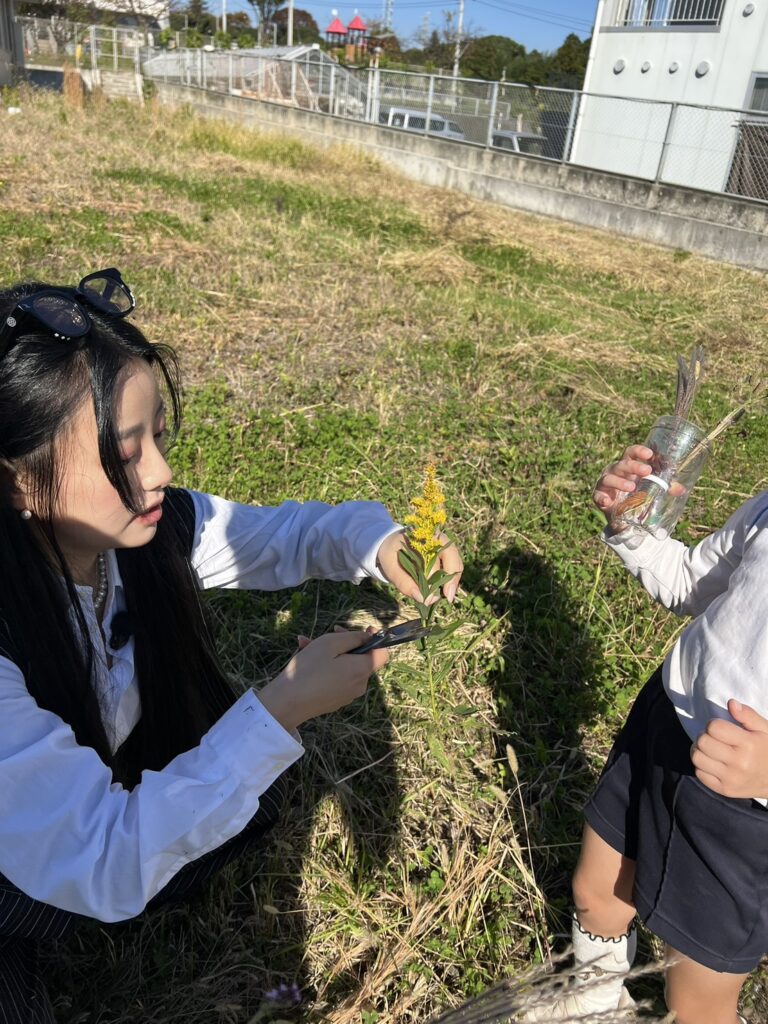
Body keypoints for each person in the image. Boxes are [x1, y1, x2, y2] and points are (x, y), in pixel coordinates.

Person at [0, 268, 464, 1023]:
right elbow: (104, 857)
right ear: (18, 481)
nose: (161, 472)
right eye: (125, 453)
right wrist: (278, 711)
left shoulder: (147, 534)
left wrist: (382, 545)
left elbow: (284, 536)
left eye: (159, 436)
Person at [525, 442, 768, 1024]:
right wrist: (630, 524)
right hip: (666, 719)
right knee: (597, 892)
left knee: (695, 999)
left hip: (746, 808)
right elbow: (692, 584)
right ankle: (594, 1000)